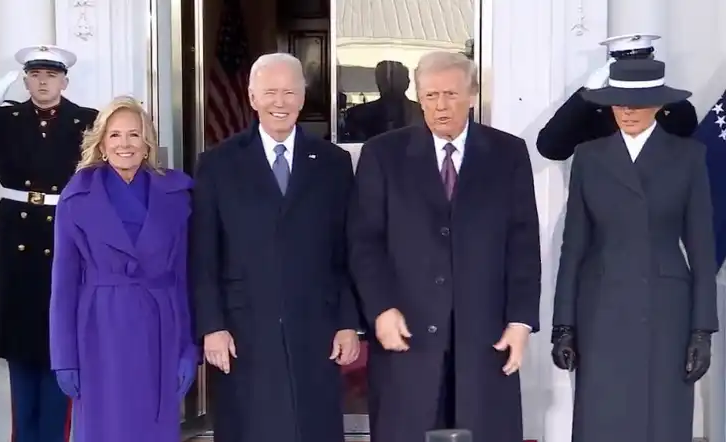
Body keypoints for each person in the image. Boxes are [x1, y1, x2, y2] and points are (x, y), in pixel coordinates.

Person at [348, 50, 541, 442]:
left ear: (472, 95)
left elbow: (523, 244)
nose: (440, 106)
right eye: (431, 95)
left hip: (484, 336)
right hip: (408, 334)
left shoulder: (508, 154)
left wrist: (521, 321)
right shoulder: (383, 155)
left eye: (451, 95)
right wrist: (381, 309)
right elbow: (363, 242)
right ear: (418, 97)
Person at [193, 52, 361, 442]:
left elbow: (347, 250)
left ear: (303, 98)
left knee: (312, 428)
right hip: (243, 329)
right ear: (252, 97)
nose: (280, 102)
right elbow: (203, 254)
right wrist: (212, 327)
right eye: (270, 92)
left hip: (315, 327)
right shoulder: (217, 164)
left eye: (289, 92)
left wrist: (348, 322)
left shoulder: (333, 163)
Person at [551, 59, 717, 442]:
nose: (626, 111)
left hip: (667, 313)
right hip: (601, 310)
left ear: (660, 105)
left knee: (662, 421)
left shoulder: (688, 157)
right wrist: (564, 326)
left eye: (637, 103)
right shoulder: (589, 157)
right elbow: (573, 246)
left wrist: (702, 331)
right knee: (602, 420)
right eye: (619, 102)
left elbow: (702, 248)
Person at [0, 45, 97, 442]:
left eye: (51, 75)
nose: (42, 82)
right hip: (14, 239)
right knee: (19, 346)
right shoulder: (5, 119)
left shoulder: (89, 121)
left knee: (61, 345)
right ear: (25, 79)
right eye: (35, 75)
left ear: (65, 80)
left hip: (67, 231)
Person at [49, 96, 197, 442]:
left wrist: (189, 349)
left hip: (161, 329)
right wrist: (64, 357)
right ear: (101, 143)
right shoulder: (76, 197)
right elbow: (64, 284)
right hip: (99, 332)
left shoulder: (178, 194)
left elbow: (184, 277)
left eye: (134, 134)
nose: (125, 144)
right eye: (115, 135)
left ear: (147, 143)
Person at [536, 34, 698, 161]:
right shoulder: (596, 108)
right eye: (627, 67)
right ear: (612, 68)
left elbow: (688, 161)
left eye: (641, 65)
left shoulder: (677, 108)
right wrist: (586, 93)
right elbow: (551, 149)